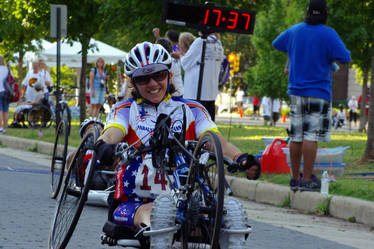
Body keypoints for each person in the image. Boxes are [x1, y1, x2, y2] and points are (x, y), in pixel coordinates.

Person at [95, 42, 260, 248]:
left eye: (159, 75)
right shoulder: (125, 109)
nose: (153, 83)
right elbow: (113, 131)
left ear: (169, 75)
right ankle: (159, 231)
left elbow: (214, 141)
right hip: (136, 202)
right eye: (143, 78)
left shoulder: (192, 108)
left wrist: (241, 158)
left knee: (231, 215)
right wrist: (104, 144)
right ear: (132, 82)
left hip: (187, 199)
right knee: (157, 212)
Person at [272, 0, 351, 191]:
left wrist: (295, 52)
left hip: (296, 92)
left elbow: (277, 43)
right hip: (319, 92)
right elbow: (345, 57)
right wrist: (326, 55)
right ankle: (307, 179)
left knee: (296, 136)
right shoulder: (328, 34)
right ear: (325, 14)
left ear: (307, 12)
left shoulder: (294, 30)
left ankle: (295, 179)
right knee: (311, 136)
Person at [181, 32, 224, 121]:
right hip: (211, 93)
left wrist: (181, 56)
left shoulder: (200, 42)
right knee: (208, 127)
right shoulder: (219, 44)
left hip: (194, 94)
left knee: (192, 127)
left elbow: (185, 63)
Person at [0, 55, 14, 134]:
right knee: (5, 110)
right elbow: (12, 80)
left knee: (0, 110)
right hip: (7, 92)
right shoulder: (8, 69)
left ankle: (0, 127)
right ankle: (4, 127)